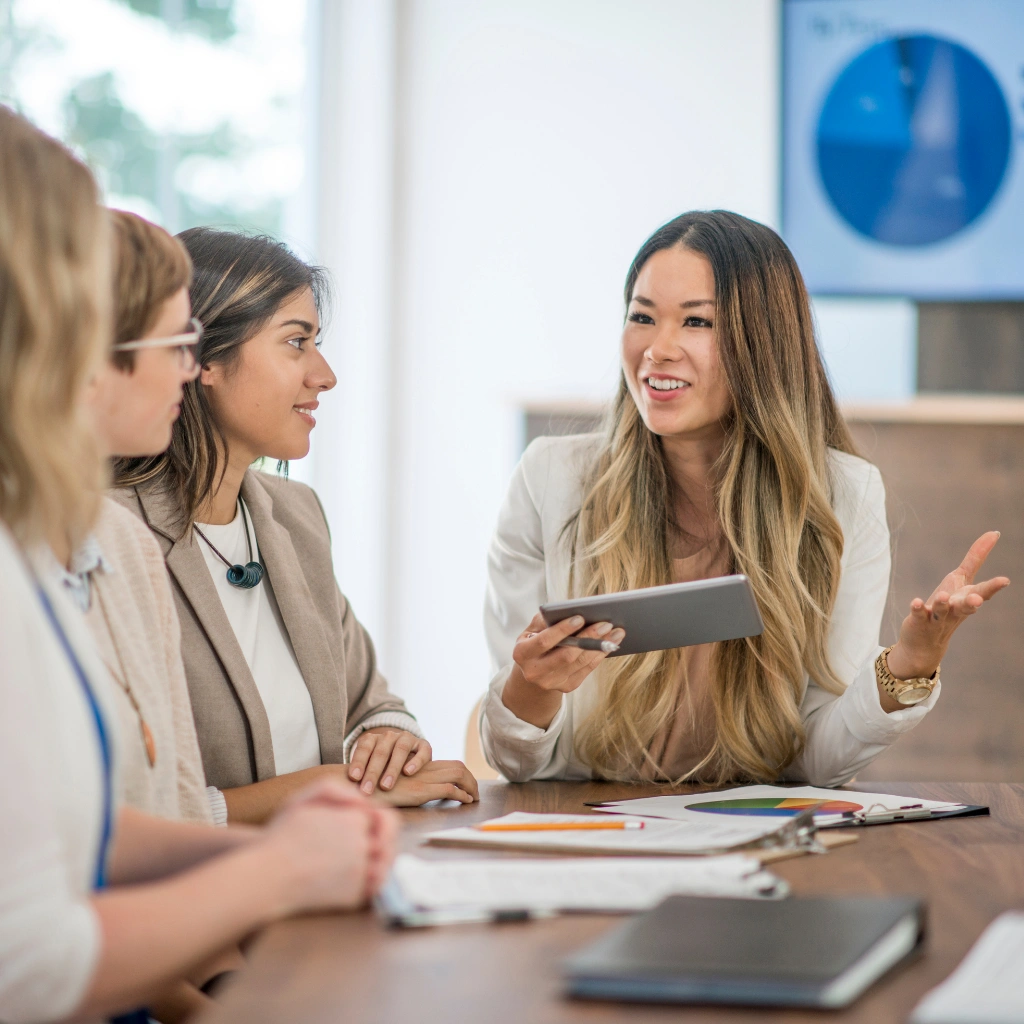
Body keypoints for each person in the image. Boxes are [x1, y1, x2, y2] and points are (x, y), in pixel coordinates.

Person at [0, 105, 396, 1024]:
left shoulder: (62, 546)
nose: (183, 368)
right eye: (172, 343)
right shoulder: (88, 544)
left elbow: (86, 836)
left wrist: (291, 844)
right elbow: (27, 959)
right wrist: (277, 866)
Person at [480, 210, 1009, 787]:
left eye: (696, 323)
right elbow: (519, 762)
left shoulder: (843, 495)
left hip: (756, 839)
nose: (658, 349)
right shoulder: (549, 481)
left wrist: (910, 664)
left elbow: (818, 763)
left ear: (763, 342)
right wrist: (530, 687)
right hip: (596, 837)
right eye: (642, 316)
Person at [113, 228, 478, 821]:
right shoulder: (108, 535)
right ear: (204, 359)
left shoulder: (294, 514)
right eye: (296, 342)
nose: (324, 374)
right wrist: (335, 789)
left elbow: (371, 701)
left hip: (324, 877)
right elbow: (130, 814)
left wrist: (388, 743)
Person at [74, 210, 212, 827]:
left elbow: (179, 807)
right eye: (177, 345)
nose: (190, 369)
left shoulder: (125, 544)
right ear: (89, 359)